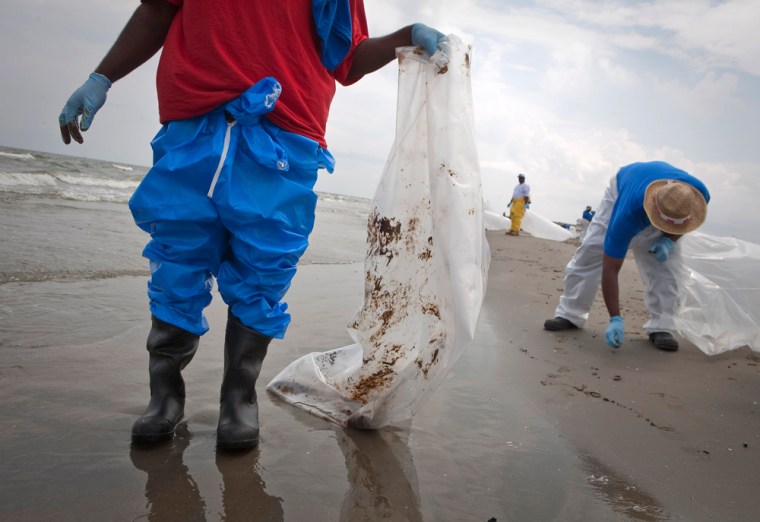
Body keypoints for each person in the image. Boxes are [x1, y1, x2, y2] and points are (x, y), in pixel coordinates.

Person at [58, 0, 447, 449]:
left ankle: (238, 398)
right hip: (195, 122)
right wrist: (102, 76)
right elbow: (156, 11)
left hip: (288, 132)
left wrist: (406, 34)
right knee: (176, 262)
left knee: (265, 271)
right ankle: (164, 395)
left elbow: (346, 57)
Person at [543, 161, 709, 352]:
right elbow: (611, 267)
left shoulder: (698, 195)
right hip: (623, 188)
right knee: (592, 250)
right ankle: (570, 313)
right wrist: (615, 318)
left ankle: (662, 325)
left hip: (655, 193)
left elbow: (685, 223)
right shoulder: (628, 214)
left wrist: (668, 240)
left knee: (666, 267)